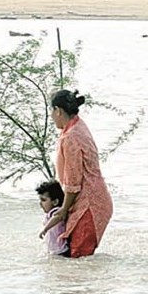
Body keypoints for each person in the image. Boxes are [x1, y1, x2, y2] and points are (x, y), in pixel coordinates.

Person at [43, 89, 113, 258]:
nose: (51, 116)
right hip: (91, 202)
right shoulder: (76, 125)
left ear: (58, 111)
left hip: (89, 205)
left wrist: (63, 211)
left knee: (78, 257)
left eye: (51, 111)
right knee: (77, 262)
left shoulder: (71, 137)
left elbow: (73, 183)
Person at [37, 179, 70, 257]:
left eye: (43, 200)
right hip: (55, 250)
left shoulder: (57, 211)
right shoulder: (50, 213)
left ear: (55, 202)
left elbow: (57, 217)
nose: (40, 203)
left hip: (60, 250)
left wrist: (45, 229)